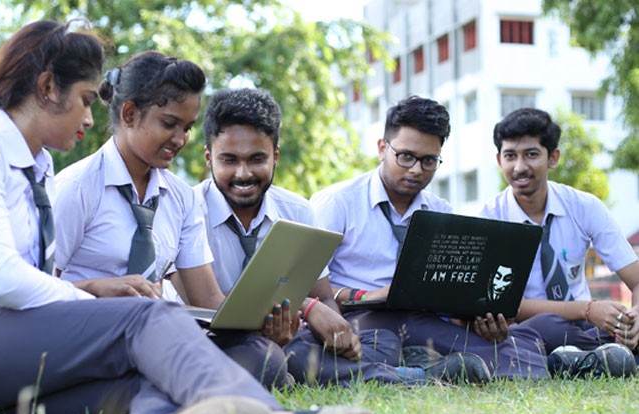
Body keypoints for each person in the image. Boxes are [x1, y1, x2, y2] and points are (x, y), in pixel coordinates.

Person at [0, 20, 373, 414]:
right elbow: (0, 279)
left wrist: (94, 293)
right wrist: (98, 305)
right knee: (147, 316)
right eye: (83, 100)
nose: (88, 116)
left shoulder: (36, 167)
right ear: (46, 87)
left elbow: (27, 286)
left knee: (149, 376)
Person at [196, 87, 489, 385]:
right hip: (213, 337)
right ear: (209, 158)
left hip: (293, 334)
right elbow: (210, 305)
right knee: (274, 359)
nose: (243, 173)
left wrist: (336, 333)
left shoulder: (296, 210)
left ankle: (373, 366)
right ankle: (414, 377)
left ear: (275, 156)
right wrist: (308, 309)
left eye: (257, 159)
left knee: (373, 342)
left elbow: (322, 295)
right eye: (229, 160)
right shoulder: (191, 209)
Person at [53, 51, 293, 389]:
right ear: (130, 113)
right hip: (92, 335)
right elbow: (33, 292)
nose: (180, 140)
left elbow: (207, 301)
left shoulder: (180, 197)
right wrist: (95, 289)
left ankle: (179, 380)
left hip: (160, 335)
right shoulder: (76, 188)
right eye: (169, 124)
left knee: (263, 357)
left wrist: (263, 322)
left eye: (188, 127)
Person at [310, 95, 549, 380]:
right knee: (383, 342)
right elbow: (308, 286)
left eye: (429, 161)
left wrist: (478, 319)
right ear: (382, 148)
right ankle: (421, 368)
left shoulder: (440, 211)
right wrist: (368, 296)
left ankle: (423, 365)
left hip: (424, 320)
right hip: (356, 319)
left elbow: (450, 292)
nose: (416, 170)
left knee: (515, 348)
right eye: (406, 156)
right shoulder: (337, 203)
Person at [479, 107, 637, 377]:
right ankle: (605, 359)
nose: (519, 167)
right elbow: (507, 305)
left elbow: (635, 278)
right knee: (546, 327)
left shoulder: (584, 206)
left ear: (553, 157)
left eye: (531, 154)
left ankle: (589, 358)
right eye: (510, 156)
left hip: (585, 326)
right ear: (499, 159)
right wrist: (587, 309)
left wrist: (634, 320)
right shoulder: (490, 219)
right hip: (531, 328)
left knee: (617, 326)